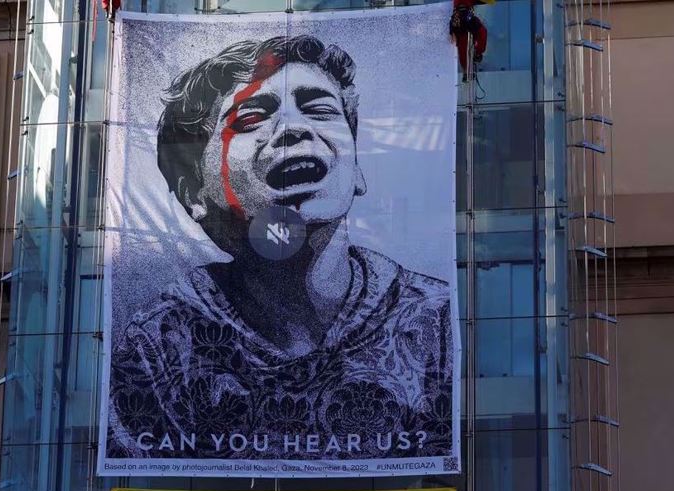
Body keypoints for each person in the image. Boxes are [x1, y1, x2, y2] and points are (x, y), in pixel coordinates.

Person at [107, 35, 453, 461]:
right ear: (194, 191)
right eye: (251, 119)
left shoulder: (437, 322)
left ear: (357, 167)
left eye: (321, 110)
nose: (293, 129)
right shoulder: (159, 343)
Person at [450, 0, 491, 80]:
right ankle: (468, 68)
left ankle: (467, 70)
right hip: (463, 20)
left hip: (462, 20)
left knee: (463, 44)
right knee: (480, 33)